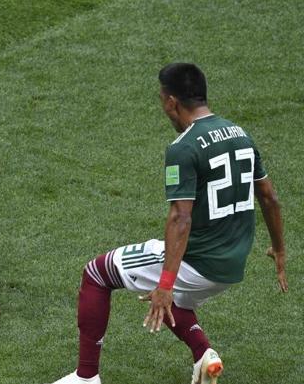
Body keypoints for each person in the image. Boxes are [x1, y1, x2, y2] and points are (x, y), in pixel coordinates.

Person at [51, 63, 287, 384]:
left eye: (162, 99)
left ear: (171, 101)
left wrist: (164, 284)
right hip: (233, 266)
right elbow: (270, 197)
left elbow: (180, 217)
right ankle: (204, 355)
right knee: (175, 293)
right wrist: (279, 248)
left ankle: (86, 378)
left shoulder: (184, 147)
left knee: (97, 273)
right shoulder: (241, 135)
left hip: (199, 263)